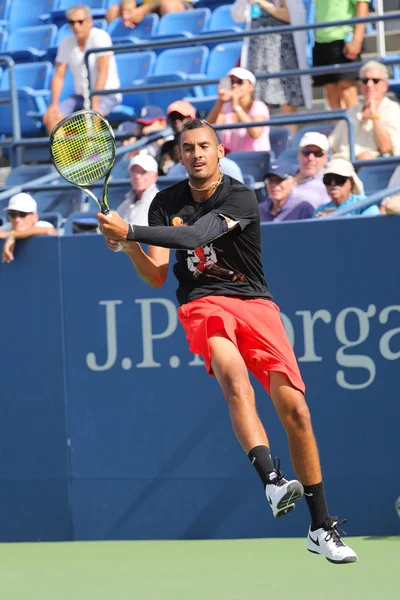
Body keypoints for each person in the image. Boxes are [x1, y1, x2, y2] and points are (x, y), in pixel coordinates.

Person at [97, 118, 358, 564]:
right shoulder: (164, 202)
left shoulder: (239, 195)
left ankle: (320, 526)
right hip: (203, 302)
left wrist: (132, 232)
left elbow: (198, 235)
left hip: (255, 303)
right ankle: (272, 480)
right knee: (234, 379)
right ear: (179, 156)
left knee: (296, 411)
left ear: (219, 152)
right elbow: (158, 274)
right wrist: (128, 248)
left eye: (204, 146)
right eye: (187, 147)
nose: (196, 153)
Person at [231, 0, 312, 129]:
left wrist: (262, 3)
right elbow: (237, 16)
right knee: (259, 98)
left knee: (286, 98)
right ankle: (261, 141)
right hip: (257, 52)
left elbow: (290, 15)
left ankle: (291, 141)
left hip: (281, 51)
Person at [43, 4, 121, 134]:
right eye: (72, 22)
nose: (76, 26)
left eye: (80, 21)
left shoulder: (101, 37)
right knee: (52, 117)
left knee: (92, 117)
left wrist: (94, 104)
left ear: (89, 22)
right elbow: (58, 75)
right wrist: (54, 104)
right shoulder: (66, 42)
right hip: (80, 96)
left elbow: (103, 71)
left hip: (106, 94)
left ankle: (93, 153)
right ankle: (63, 154)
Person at [329, 61, 400, 161]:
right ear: (360, 85)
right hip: (341, 163)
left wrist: (374, 116)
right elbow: (332, 144)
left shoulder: (392, 109)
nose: (369, 85)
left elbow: (386, 148)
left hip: (370, 166)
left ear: (385, 86)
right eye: (365, 80)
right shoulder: (352, 110)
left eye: (375, 80)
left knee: (365, 158)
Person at [313, 0, 370, 110]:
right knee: (331, 95)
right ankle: (340, 127)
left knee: (347, 91)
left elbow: (362, 4)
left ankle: (356, 126)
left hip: (343, 39)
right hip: (321, 40)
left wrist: (357, 40)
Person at [207, 67, 271, 153]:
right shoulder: (225, 107)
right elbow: (209, 130)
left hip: (255, 158)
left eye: (239, 81)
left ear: (251, 87)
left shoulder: (259, 106)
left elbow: (255, 133)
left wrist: (236, 106)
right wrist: (220, 101)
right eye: (231, 82)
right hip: (231, 158)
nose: (234, 85)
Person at [0, 193, 57, 263]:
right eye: (13, 215)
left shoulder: (42, 225)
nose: (17, 219)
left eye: (22, 214)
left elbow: (50, 231)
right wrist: (11, 235)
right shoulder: (8, 227)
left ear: (35, 217)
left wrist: (13, 235)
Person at [314, 158, 379, 218]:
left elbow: (371, 227)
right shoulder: (320, 210)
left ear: (351, 182)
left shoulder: (365, 204)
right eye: (328, 179)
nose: (333, 183)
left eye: (339, 179)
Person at [116, 154, 159, 225]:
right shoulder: (125, 205)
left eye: (144, 172)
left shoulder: (161, 203)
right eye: (134, 172)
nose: (137, 176)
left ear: (155, 176)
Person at [294, 132, 331, 209]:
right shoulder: (283, 176)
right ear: (298, 154)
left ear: (326, 158)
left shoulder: (329, 184)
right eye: (306, 152)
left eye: (317, 154)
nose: (311, 158)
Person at [159, 100, 197, 175]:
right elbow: (160, 173)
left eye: (181, 117)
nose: (176, 121)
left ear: (191, 118)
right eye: (172, 118)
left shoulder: (198, 144)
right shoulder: (167, 147)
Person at [106, 0, 194, 27]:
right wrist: (128, 11)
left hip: (178, 4)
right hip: (147, 7)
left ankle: (173, 45)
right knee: (113, 11)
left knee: (168, 4)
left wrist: (141, 11)